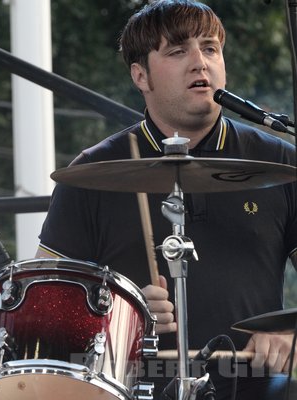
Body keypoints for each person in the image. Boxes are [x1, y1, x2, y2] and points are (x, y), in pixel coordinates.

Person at [36, 1, 297, 399]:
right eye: (178, 51)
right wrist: (120, 316)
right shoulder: (91, 173)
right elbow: (44, 308)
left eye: (210, 48)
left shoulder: (279, 162)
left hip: (260, 390)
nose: (200, 63)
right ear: (140, 75)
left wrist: (291, 332)